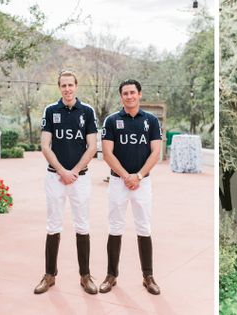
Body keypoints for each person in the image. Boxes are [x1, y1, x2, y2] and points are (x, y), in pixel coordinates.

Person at [34, 70, 98, 295]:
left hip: (80, 179)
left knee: (82, 226)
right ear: (59, 87)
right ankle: (49, 275)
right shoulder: (51, 111)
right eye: (63, 85)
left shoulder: (87, 111)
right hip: (55, 177)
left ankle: (85, 275)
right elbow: (45, 145)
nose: (67, 89)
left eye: (71, 85)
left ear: (76, 86)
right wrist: (62, 171)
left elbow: (92, 146)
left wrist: (74, 172)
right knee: (53, 226)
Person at [99, 79, 162, 295]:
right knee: (115, 227)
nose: (129, 96)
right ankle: (111, 276)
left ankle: (148, 276)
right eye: (125, 93)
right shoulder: (112, 120)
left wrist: (139, 176)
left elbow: (156, 152)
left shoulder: (151, 121)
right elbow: (107, 153)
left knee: (144, 227)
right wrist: (127, 176)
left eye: (132, 92)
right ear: (121, 97)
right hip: (118, 182)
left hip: (143, 183)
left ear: (139, 94)